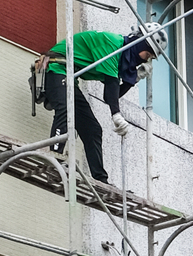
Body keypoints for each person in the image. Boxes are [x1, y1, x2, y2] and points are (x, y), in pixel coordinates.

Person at [44, 25, 168, 184]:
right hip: (55, 68)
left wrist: (135, 78)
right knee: (66, 111)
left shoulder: (121, 54)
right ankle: (55, 160)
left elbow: (109, 96)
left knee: (93, 129)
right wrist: (116, 115)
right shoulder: (113, 44)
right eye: (148, 54)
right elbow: (111, 85)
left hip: (68, 78)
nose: (146, 59)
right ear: (140, 43)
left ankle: (100, 180)